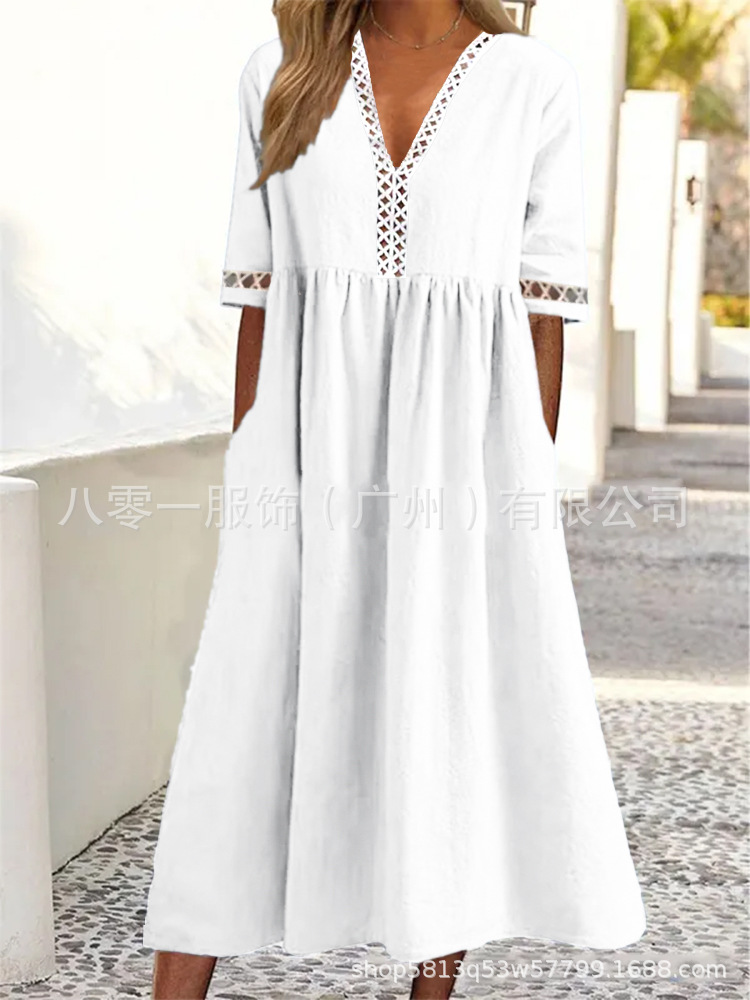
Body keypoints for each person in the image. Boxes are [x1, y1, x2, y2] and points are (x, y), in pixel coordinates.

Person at [142, 1, 647, 997]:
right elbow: (259, 301)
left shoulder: (531, 83)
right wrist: (253, 477)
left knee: (438, 707)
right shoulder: (281, 71)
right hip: (300, 464)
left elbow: (541, 314)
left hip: (462, 472)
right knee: (243, 717)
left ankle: (430, 978)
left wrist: (516, 503)